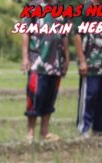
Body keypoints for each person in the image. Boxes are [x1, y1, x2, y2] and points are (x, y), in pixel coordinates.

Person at [21, 0, 69, 143]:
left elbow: (65, 34)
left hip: (56, 61)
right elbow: (25, 32)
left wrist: (67, 57)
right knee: (34, 95)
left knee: (50, 96)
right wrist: (25, 57)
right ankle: (30, 133)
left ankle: (45, 131)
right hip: (37, 60)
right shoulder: (33, 6)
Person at [74, 0, 102, 137]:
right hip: (90, 60)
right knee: (89, 95)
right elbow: (77, 35)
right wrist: (82, 60)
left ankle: (100, 128)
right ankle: (83, 128)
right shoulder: (84, 7)